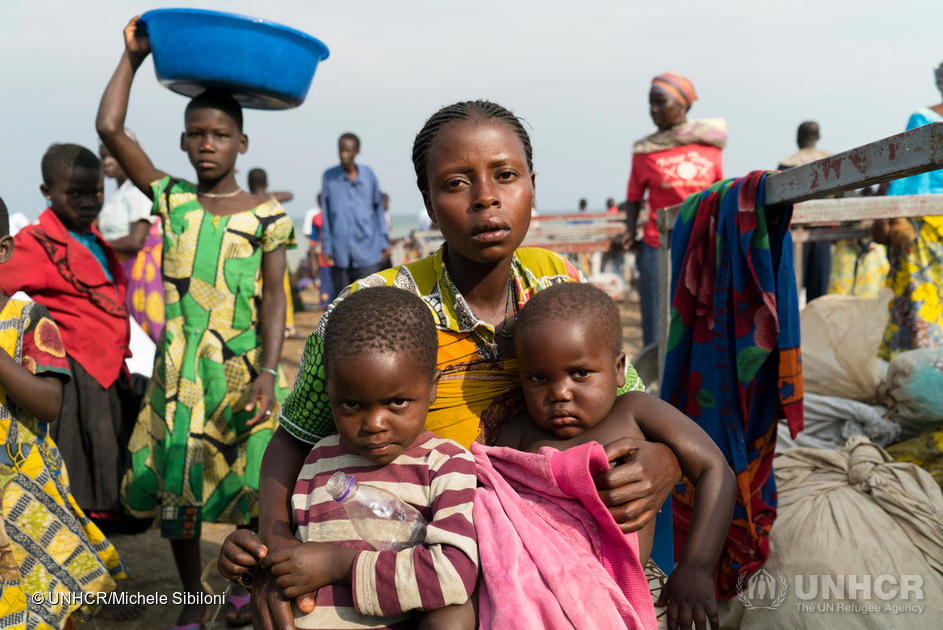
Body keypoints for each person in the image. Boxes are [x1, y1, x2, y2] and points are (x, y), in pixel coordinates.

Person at [251, 100, 684, 628]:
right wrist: (274, 549)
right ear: (428, 206)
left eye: (505, 175)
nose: (486, 199)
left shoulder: (560, 284)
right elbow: (293, 439)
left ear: (531, 185)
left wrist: (666, 458)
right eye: (456, 183)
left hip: (556, 549)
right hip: (415, 553)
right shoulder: (371, 309)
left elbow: (629, 401)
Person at [97, 16, 296, 628]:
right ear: (184, 143)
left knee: (254, 484)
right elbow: (109, 126)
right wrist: (131, 57)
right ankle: (191, 600)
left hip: (243, 374)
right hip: (179, 375)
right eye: (196, 134)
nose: (207, 143)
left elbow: (273, 301)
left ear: (242, 143)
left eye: (219, 134)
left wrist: (267, 371)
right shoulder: (170, 199)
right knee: (180, 492)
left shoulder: (267, 216)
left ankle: (240, 589)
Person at [220, 287, 477, 629]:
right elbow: (294, 562)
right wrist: (247, 563)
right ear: (329, 392)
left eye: (397, 402)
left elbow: (453, 577)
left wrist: (341, 566)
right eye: (352, 405)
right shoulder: (316, 462)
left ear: (431, 386)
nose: (374, 424)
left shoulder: (445, 466)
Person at [499, 282, 735, 630]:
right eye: (538, 378)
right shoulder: (518, 435)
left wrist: (696, 568)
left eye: (580, 373)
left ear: (619, 367)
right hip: (543, 600)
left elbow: (715, 469)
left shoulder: (635, 413)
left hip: (628, 593)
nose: (560, 392)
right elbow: (496, 514)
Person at [0, 194, 131, 628]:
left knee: (47, 599)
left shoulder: (28, 318)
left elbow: (49, 401)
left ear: (3, 251)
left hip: (25, 489)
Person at [0, 145, 133, 528]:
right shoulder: (36, 243)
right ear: (47, 191)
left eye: (95, 191)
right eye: (74, 193)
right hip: (71, 373)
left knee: (100, 466)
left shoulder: (92, 238)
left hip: (105, 371)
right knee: (75, 471)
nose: (88, 201)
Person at [621, 72, 726, 347]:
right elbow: (633, 197)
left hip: (701, 240)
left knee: (701, 311)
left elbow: (718, 193)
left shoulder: (710, 146)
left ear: (683, 104)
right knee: (656, 318)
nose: (654, 110)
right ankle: (655, 382)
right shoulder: (645, 150)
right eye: (650, 103)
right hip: (658, 244)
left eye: (660, 102)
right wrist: (629, 230)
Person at [873, 60, 943, 360]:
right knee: (918, 299)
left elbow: (901, 174)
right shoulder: (924, 118)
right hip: (923, 225)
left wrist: (889, 214)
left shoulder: (923, 118)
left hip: (922, 223)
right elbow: (905, 172)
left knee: (918, 298)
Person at [98, 130, 166, 346]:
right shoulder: (117, 195)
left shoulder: (138, 191)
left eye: (113, 155)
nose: (107, 161)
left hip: (139, 276)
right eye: (103, 156)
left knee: (143, 335)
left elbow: (136, 240)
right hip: (120, 273)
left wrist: (99, 246)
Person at [321, 132, 388, 298]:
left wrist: (383, 241)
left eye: (348, 151)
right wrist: (327, 247)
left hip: (368, 249)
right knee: (343, 302)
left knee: (369, 300)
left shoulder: (368, 175)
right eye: (341, 150)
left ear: (356, 152)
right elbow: (326, 214)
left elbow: (378, 210)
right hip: (340, 251)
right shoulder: (329, 177)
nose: (344, 155)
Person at [779, 121, 833, 302]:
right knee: (818, 293)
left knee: (791, 289)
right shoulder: (830, 161)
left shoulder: (786, 165)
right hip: (823, 231)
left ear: (798, 138)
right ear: (818, 137)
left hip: (795, 231)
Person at [247, 167, 298, 337]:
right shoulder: (274, 204)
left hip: (253, 258)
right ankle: (286, 325)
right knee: (280, 290)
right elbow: (289, 195)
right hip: (275, 255)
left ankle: (254, 323)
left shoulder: (244, 203)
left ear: (248, 184)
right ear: (267, 183)